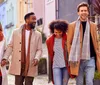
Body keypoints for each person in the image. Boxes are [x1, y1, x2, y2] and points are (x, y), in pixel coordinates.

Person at [1, 12, 42, 85]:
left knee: (29, 83)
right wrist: (5, 58)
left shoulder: (38, 35)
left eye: (35, 19)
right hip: (18, 64)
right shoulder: (15, 32)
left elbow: (39, 49)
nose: (35, 21)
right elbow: (10, 46)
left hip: (31, 64)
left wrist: (36, 58)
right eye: (33, 19)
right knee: (18, 83)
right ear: (26, 20)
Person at [67, 2, 100, 85]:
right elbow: (69, 43)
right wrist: (72, 56)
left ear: (88, 12)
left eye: (85, 10)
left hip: (90, 59)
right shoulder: (72, 26)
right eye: (81, 11)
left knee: (89, 82)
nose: (84, 12)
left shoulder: (93, 25)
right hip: (77, 60)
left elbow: (96, 41)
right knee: (79, 82)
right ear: (78, 12)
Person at [46, 20, 70, 85]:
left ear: (63, 30)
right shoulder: (49, 41)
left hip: (66, 66)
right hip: (56, 65)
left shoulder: (68, 38)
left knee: (65, 83)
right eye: (56, 32)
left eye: (60, 32)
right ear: (53, 31)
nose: (58, 34)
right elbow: (50, 54)